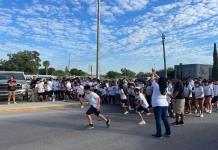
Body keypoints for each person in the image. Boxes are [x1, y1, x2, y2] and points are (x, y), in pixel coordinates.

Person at [150, 70, 171, 138]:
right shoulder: (165, 87)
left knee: (158, 120)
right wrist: (155, 74)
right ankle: (168, 132)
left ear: (159, 81)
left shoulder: (156, 86)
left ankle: (159, 134)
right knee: (165, 119)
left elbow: (152, 79)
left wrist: (153, 73)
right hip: (165, 104)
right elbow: (160, 79)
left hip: (157, 105)